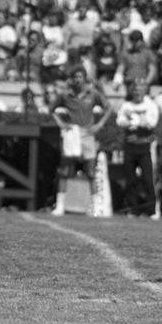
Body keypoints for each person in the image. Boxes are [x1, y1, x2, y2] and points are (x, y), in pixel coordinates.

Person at [49, 66, 112, 216]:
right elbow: (51, 109)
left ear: (85, 78)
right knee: (65, 170)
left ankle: (95, 206)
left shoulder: (93, 94)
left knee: (90, 171)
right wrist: (61, 123)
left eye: (80, 76)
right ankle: (60, 205)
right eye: (75, 77)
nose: (77, 80)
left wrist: (99, 125)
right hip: (72, 134)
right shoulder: (66, 95)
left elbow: (108, 107)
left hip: (87, 134)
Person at [115, 79, 160, 219]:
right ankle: (133, 209)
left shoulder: (150, 105)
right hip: (129, 147)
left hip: (144, 147)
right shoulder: (126, 105)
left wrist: (135, 122)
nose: (137, 91)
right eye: (135, 89)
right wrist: (134, 122)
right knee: (130, 179)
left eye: (140, 88)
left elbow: (151, 123)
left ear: (144, 90)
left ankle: (152, 210)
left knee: (147, 179)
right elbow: (120, 121)